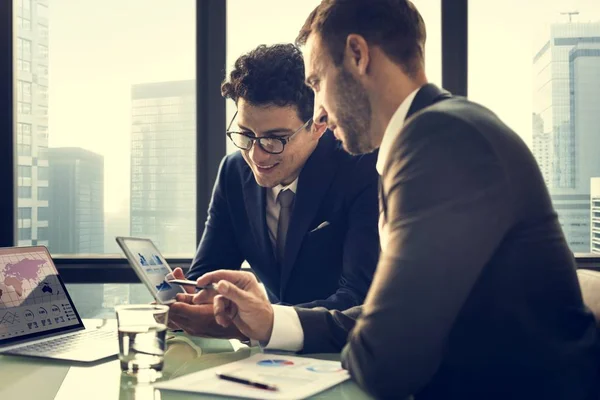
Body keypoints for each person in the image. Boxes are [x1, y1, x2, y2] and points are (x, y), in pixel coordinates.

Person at [190, 1, 600, 399]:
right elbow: (389, 319)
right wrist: (270, 319)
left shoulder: (441, 142)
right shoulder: (434, 134)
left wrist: (365, 338)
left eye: (316, 83)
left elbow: (385, 360)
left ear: (357, 55)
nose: (318, 115)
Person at [168, 44, 380, 335]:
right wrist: (192, 302)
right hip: (269, 364)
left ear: (318, 124)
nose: (257, 156)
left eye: (275, 139)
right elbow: (208, 274)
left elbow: (358, 298)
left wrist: (252, 324)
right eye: (245, 134)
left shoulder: (362, 169)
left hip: (341, 356)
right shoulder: (233, 172)